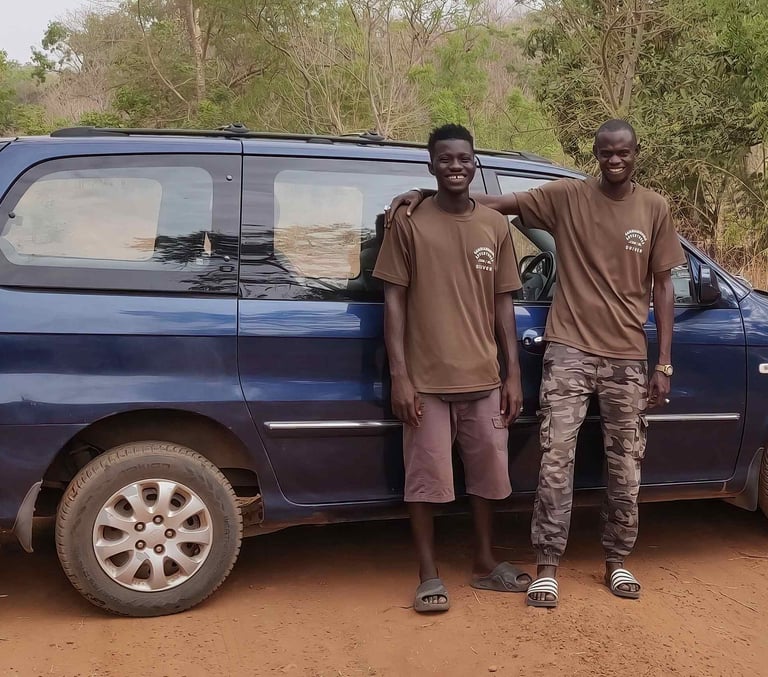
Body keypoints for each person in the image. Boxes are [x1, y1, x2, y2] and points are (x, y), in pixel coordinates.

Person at [388, 119, 686, 608]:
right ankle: (548, 565)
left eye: (623, 152)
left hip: (629, 354)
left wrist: (665, 362)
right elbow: (491, 204)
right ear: (594, 153)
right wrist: (425, 192)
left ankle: (617, 561)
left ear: (636, 153)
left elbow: (664, 285)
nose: (614, 160)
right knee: (555, 461)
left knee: (626, 465)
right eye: (606, 152)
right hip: (567, 347)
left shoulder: (654, 208)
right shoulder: (568, 196)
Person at [373, 123, 532, 613]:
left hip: (484, 378)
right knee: (425, 480)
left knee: (488, 476)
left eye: (463, 158)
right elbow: (393, 302)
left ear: (474, 162)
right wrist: (401, 376)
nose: (456, 166)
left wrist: (512, 374)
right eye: (446, 159)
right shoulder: (410, 221)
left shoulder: (494, 226)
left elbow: (504, 305)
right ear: (431, 165)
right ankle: (428, 574)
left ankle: (485, 563)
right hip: (426, 382)